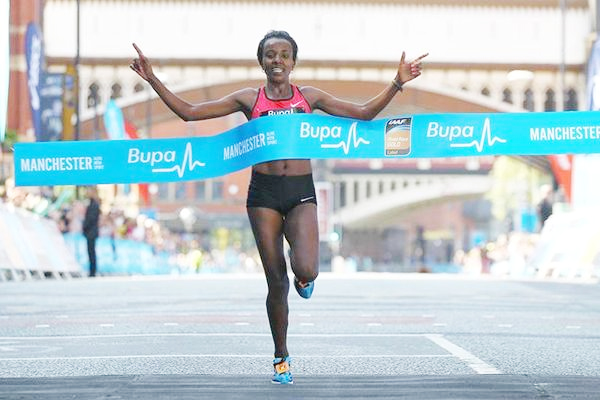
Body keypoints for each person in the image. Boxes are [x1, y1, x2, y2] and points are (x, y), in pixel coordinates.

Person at [130, 30, 427, 384]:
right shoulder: (248, 99)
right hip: (263, 195)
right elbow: (189, 113)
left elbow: (362, 114)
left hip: (300, 190)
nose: (277, 61)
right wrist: (152, 79)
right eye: (271, 55)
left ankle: (304, 274)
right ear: (262, 61)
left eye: (284, 55)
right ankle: (281, 356)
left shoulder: (309, 97)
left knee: (307, 269)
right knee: (276, 281)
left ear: (293, 62)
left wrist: (397, 82)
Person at [82, 186, 101, 277]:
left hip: (91, 232)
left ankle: (92, 271)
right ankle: (92, 270)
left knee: (91, 252)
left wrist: (85, 227)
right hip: (91, 232)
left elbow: (91, 219)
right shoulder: (92, 204)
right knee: (91, 252)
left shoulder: (94, 204)